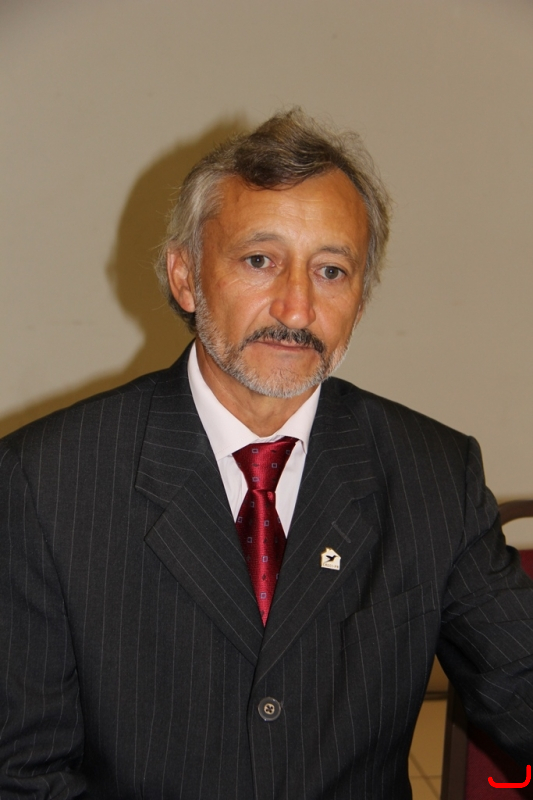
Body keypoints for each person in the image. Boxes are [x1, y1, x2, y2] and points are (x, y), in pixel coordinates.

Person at [1, 109, 532, 800]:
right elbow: (23, 775)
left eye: (331, 271)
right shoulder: (46, 481)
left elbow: (521, 682)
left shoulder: (432, 473)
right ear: (186, 277)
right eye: (260, 261)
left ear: (360, 300)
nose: (297, 307)